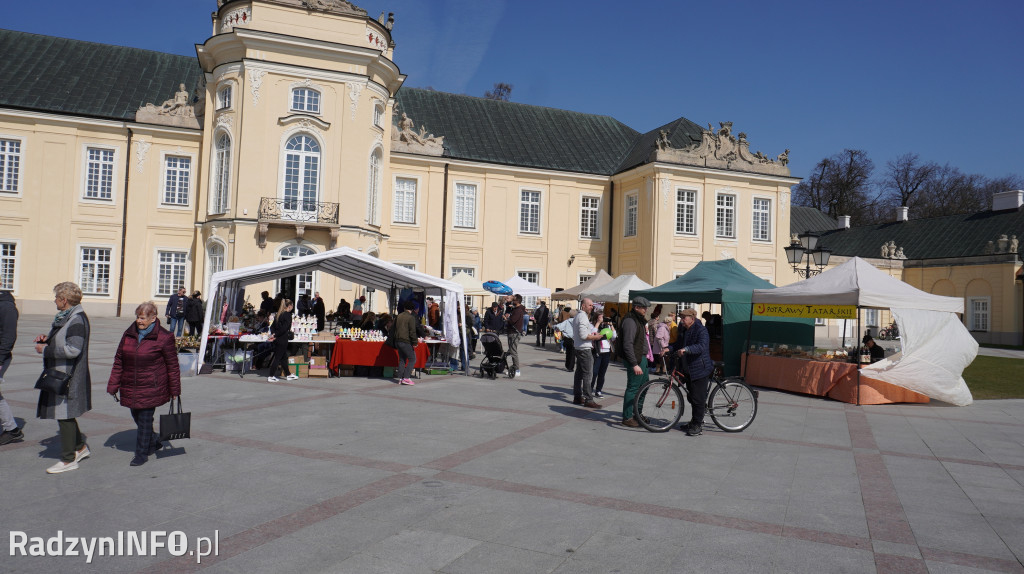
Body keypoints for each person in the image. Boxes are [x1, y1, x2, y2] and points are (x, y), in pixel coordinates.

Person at [107, 302, 181, 466]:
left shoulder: (164, 337)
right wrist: (113, 384)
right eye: (138, 317)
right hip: (130, 384)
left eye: (142, 318)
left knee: (145, 420)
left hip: (151, 386)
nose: (139, 321)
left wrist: (175, 389)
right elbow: (119, 360)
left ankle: (141, 453)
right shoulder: (129, 333)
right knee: (137, 416)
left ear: (153, 318)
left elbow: (172, 365)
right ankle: (154, 441)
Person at [36, 282, 93, 474]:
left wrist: (47, 349)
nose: (54, 301)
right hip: (61, 372)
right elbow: (64, 340)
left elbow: (73, 349)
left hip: (69, 375)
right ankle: (80, 447)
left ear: (64, 300)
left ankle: (69, 459)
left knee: (64, 415)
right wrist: (47, 339)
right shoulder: (66, 317)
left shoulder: (76, 320)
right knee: (65, 415)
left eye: (56, 298)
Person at [673, 307, 713, 436]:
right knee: (692, 397)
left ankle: (697, 425)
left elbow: (702, 346)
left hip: (700, 368)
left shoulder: (701, 330)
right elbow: (677, 344)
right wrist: (667, 349)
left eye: (684, 318)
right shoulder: (684, 330)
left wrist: (687, 349)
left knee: (698, 398)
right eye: (681, 318)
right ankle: (694, 420)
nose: (682, 320)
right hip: (689, 369)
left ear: (692, 318)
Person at [620, 296, 652, 428]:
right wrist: (634, 364)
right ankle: (627, 417)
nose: (645, 310)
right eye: (643, 307)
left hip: (641, 357)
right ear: (636, 307)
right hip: (636, 359)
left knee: (645, 386)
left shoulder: (638, 320)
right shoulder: (630, 321)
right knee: (633, 388)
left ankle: (637, 413)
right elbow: (627, 344)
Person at [0, 288, 23, 445]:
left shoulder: (6, 306)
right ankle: (12, 429)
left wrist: (0, 358)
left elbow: (9, 336)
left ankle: (12, 429)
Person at [572, 298, 604, 408]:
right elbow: (583, 335)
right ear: (583, 306)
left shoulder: (579, 316)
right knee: (588, 374)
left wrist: (596, 327)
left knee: (579, 373)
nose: (592, 307)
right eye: (589, 305)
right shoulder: (582, 317)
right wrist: (596, 337)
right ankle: (588, 399)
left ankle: (577, 396)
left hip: (579, 347)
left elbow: (584, 333)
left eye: (592, 305)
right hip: (584, 349)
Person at [267, 299, 298, 383]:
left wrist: (273, 334)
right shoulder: (287, 315)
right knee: (278, 358)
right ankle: (271, 375)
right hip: (282, 338)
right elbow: (284, 328)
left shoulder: (278, 314)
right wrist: (275, 334)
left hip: (277, 339)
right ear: (289, 306)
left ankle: (288, 374)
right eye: (292, 306)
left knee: (283, 357)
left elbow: (272, 327)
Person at [394, 300, 420, 385]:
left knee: (402, 360)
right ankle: (406, 377)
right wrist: (415, 342)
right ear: (412, 309)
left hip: (398, 340)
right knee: (412, 359)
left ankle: (400, 378)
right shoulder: (411, 317)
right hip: (406, 341)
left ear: (404, 308)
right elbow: (412, 331)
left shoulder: (399, 316)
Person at [590, 311, 615, 399]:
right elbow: (592, 333)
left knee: (602, 373)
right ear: (596, 318)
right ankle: (589, 390)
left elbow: (614, 336)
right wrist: (598, 323)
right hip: (597, 351)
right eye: (600, 317)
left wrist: (611, 325)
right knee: (594, 372)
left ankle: (598, 390)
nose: (602, 319)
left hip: (607, 352)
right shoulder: (593, 325)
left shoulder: (607, 326)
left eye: (603, 317)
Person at [505, 294, 525, 378]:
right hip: (512, 332)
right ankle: (513, 368)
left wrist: (507, 319)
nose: (512, 300)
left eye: (514, 299)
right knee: (511, 350)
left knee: (513, 351)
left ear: (517, 301)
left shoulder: (518, 310)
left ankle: (517, 370)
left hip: (514, 333)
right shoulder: (516, 308)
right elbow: (509, 306)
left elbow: (512, 321)